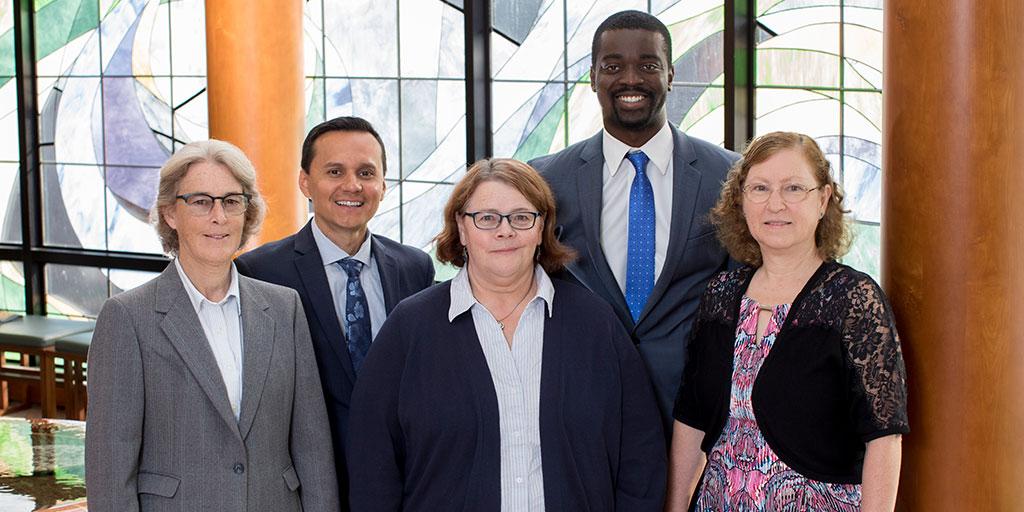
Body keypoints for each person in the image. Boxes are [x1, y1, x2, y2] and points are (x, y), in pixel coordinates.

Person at [347, 158, 666, 511]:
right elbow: (371, 463)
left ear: (541, 227)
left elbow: (642, 455)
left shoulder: (595, 324)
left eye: (521, 217)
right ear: (461, 228)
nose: (505, 231)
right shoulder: (409, 328)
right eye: (486, 218)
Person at [85, 140, 338, 511]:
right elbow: (110, 471)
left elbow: (312, 446)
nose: (219, 216)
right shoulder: (127, 318)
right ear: (170, 212)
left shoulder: (285, 308)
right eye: (201, 201)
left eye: (231, 201)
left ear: (246, 212)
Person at [666, 132, 909, 511]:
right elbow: (691, 418)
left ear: (823, 198)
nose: (775, 204)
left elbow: (884, 437)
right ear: (741, 200)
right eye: (760, 188)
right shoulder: (721, 294)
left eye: (794, 188)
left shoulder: (853, 300)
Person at [529, 10, 739, 427]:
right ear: (592, 77)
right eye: (612, 66)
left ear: (671, 75)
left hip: (696, 410)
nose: (631, 79)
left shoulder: (728, 175)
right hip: (580, 402)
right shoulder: (546, 178)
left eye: (648, 65)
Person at [235, 116, 435, 505]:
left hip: (405, 484)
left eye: (366, 172)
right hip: (308, 489)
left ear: (383, 184)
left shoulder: (414, 267)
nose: (352, 186)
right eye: (334, 171)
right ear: (305, 182)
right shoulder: (260, 272)